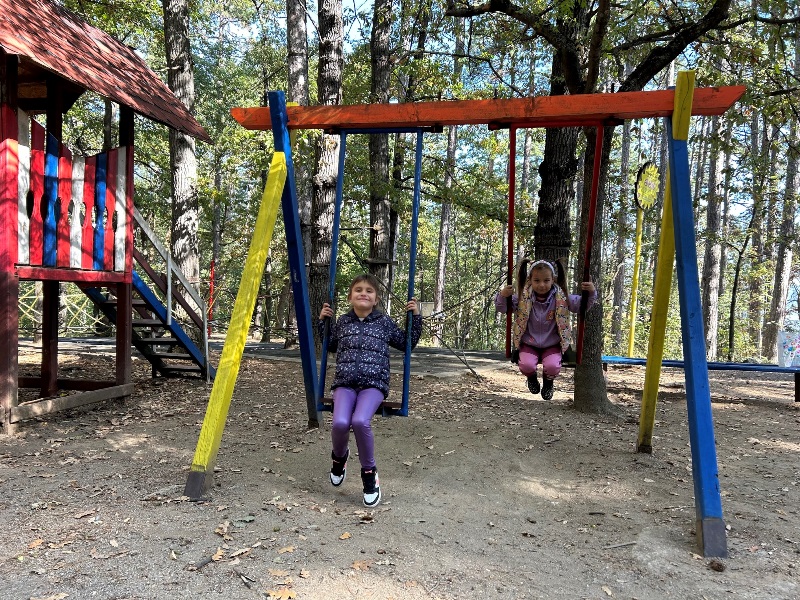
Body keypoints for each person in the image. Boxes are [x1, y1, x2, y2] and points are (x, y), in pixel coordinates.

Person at [318, 274, 422, 507]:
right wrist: (323, 322)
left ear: (376, 299)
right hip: (345, 383)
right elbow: (330, 344)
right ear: (350, 297)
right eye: (358, 290)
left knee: (360, 421)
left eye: (369, 291)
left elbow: (407, 343)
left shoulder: (384, 322)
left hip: (373, 385)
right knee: (340, 423)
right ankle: (339, 458)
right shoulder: (343, 321)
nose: (363, 293)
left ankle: (369, 474)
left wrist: (415, 316)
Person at [495, 258, 596, 400]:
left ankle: (548, 382)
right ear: (530, 280)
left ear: (553, 279)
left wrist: (591, 293)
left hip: (552, 344)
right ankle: (531, 378)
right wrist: (502, 295)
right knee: (526, 365)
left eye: (546, 280)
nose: (541, 285)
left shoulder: (562, 298)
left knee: (553, 367)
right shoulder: (522, 298)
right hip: (529, 343)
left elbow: (582, 306)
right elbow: (503, 308)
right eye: (537, 280)